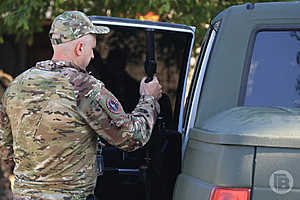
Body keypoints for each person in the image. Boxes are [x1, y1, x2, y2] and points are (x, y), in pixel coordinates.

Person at [0, 11, 162, 200]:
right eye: (91, 48)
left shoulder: (17, 85)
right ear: (79, 48)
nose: (93, 55)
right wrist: (148, 99)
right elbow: (132, 137)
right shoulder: (84, 87)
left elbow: (5, 149)